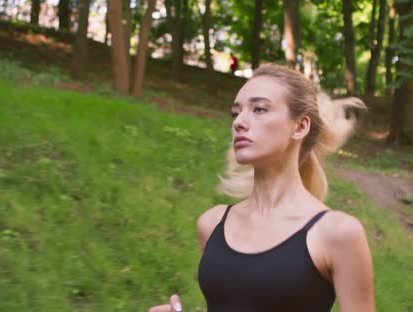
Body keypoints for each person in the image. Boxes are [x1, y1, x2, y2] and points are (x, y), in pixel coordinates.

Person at [149, 64, 374, 312]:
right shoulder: (212, 224)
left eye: (259, 109)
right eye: (236, 113)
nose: (239, 123)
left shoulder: (338, 233)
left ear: (300, 126)